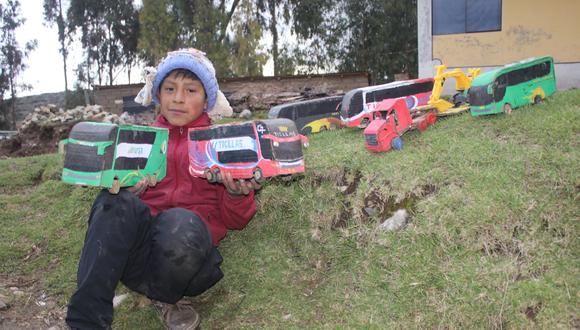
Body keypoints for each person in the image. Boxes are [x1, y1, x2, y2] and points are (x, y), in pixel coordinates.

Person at [66, 48, 260, 330]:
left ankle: (167, 298)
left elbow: (236, 221)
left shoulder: (219, 146)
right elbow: (121, 213)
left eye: (191, 90)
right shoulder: (138, 143)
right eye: (170, 89)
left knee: (181, 224)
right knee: (113, 201)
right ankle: (86, 321)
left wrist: (236, 193)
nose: (178, 98)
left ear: (207, 99)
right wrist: (129, 194)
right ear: (158, 95)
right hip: (136, 255)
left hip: (188, 258)